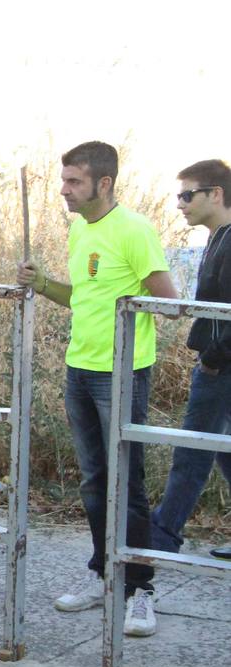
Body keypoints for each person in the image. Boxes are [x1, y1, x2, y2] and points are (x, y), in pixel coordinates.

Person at [16, 141, 177, 636]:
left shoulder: (134, 230)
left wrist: (130, 319)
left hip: (122, 373)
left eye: (74, 182)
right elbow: (84, 297)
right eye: (63, 180)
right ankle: (103, 573)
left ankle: (141, 589)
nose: (63, 190)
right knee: (92, 480)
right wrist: (42, 283)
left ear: (103, 184)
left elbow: (168, 301)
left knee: (126, 482)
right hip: (78, 369)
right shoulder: (81, 229)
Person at [149, 160, 231, 561]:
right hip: (220, 366)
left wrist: (213, 360)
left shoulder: (230, 240)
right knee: (222, 449)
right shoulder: (218, 237)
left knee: (192, 451)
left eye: (187, 195)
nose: (180, 204)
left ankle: (160, 537)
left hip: (222, 369)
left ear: (215, 194)